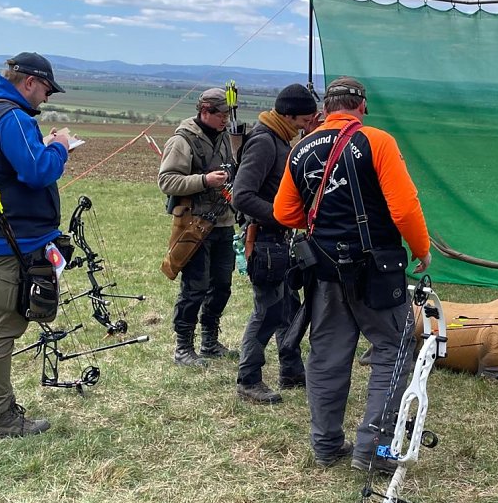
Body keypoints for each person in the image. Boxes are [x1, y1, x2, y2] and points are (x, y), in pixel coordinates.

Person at [273, 76, 432, 470]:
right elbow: (404, 209)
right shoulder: (377, 142)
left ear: (326, 109)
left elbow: (284, 214)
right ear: (361, 107)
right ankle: (373, 450)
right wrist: (421, 248)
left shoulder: (301, 148)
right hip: (377, 271)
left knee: (326, 356)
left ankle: (326, 446)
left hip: (324, 272)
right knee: (393, 350)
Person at [0, 52, 70, 438]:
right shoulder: (10, 116)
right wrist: (58, 147)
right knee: (1, 328)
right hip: (12, 241)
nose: (45, 98)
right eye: (45, 89)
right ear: (29, 81)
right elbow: (37, 170)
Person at [231, 84, 317, 403]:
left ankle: (291, 370)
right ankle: (248, 380)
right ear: (290, 113)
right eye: (305, 115)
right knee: (266, 311)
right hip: (266, 240)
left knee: (287, 308)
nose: (307, 121)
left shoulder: (279, 137)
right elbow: (242, 195)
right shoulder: (265, 141)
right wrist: (284, 217)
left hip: (278, 240)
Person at [158, 88, 237, 367]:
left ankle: (209, 341)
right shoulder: (183, 140)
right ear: (205, 111)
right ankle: (183, 347)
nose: (226, 119)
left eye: (228, 114)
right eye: (222, 114)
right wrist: (204, 181)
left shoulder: (225, 137)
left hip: (223, 221)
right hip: (194, 224)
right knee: (195, 287)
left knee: (222, 285)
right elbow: (166, 181)